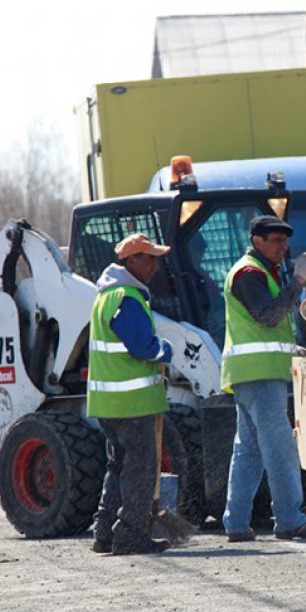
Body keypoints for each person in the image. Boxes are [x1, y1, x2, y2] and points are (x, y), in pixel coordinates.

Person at [220, 215, 306, 543]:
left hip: (251, 374)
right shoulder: (249, 273)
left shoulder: (260, 271)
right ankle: (290, 520)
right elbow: (267, 316)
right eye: (276, 241)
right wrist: (297, 282)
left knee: (248, 450)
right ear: (257, 241)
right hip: (259, 375)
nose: (284, 247)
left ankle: (236, 522)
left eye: (285, 240)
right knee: (279, 447)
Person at [88, 233, 175, 555]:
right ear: (132, 261)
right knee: (141, 469)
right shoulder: (127, 297)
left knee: (118, 467)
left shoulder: (107, 296)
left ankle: (105, 533)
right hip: (132, 404)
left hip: (109, 404)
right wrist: (165, 351)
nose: (155, 265)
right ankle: (130, 534)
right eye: (149, 258)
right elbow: (142, 346)